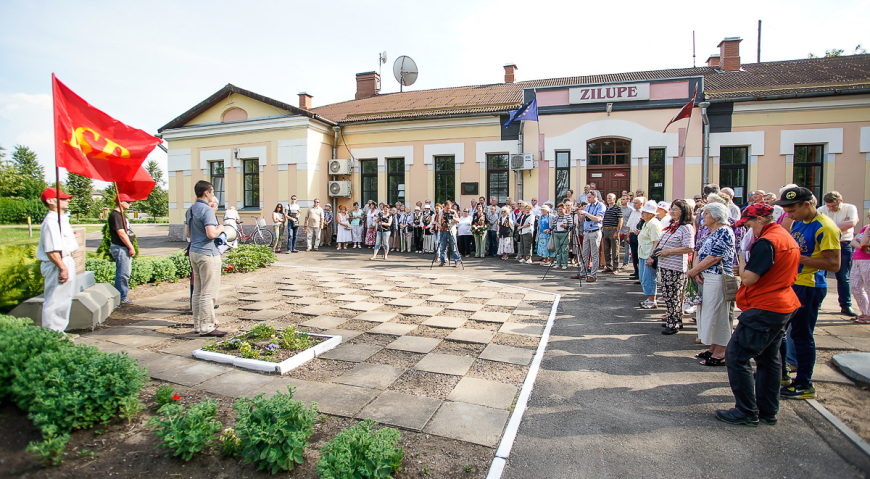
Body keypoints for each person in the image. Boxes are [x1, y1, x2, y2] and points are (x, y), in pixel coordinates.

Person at [715, 203, 801, 427]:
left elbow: (750, 278)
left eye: (750, 223)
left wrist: (743, 265)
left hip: (766, 306)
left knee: (736, 356)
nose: (748, 228)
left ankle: (746, 411)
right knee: (768, 359)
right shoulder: (782, 236)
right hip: (781, 303)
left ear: (762, 219)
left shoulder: (767, 241)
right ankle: (768, 410)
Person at [775, 186, 841, 399]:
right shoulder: (800, 223)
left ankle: (804, 382)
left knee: (802, 334)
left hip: (810, 286)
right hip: (793, 283)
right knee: (779, 331)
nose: (788, 214)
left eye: (792, 209)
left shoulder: (825, 227)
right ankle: (782, 373)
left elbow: (834, 264)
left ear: (807, 204)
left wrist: (795, 257)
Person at [687, 203, 735, 365]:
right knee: (710, 311)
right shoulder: (712, 232)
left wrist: (694, 271)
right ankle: (714, 347)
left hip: (718, 277)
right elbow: (701, 252)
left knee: (719, 313)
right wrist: (697, 270)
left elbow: (715, 257)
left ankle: (721, 350)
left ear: (716, 216)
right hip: (707, 276)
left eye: (706, 214)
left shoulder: (725, 232)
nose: (703, 217)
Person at [185, 180, 226, 337]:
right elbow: (211, 234)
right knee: (209, 292)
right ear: (206, 193)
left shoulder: (191, 210)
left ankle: (198, 324)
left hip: (194, 252)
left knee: (198, 291)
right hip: (208, 254)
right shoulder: (206, 210)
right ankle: (208, 326)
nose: (214, 194)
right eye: (213, 191)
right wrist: (220, 228)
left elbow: (187, 233)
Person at [36, 187, 79, 333]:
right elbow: (51, 250)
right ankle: (51, 333)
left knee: (64, 300)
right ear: (50, 201)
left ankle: (59, 331)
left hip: (65, 261)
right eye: (62, 198)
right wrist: (62, 267)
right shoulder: (51, 222)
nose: (67, 200)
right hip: (57, 263)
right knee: (55, 301)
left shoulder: (61, 219)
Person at [654, 200, 695, 334]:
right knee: (668, 295)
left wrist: (668, 251)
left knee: (674, 296)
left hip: (676, 267)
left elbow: (689, 248)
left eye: (675, 209)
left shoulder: (686, 228)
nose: (672, 212)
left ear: (684, 212)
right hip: (666, 265)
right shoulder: (673, 225)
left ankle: (674, 323)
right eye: (671, 209)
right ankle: (673, 319)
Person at [818, 191, 859, 316]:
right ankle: (818, 302)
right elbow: (817, 225)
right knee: (820, 275)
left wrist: (828, 226)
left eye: (834, 206)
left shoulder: (849, 208)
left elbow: (852, 223)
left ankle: (846, 305)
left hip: (843, 244)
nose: (831, 208)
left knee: (843, 277)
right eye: (829, 206)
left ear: (840, 201)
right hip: (824, 244)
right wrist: (842, 225)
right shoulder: (821, 209)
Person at [108, 194, 136, 304]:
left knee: (125, 273)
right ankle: (121, 297)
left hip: (123, 247)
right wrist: (131, 246)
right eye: (128, 202)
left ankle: (122, 295)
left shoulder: (121, 215)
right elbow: (121, 233)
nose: (130, 204)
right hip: (121, 248)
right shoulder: (116, 215)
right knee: (123, 273)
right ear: (120, 202)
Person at [637, 200, 663, 308]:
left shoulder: (654, 224)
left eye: (645, 212)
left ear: (651, 213)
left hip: (649, 254)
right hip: (643, 253)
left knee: (649, 277)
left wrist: (652, 257)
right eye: (642, 211)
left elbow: (656, 242)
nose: (642, 214)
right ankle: (649, 299)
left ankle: (652, 300)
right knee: (643, 277)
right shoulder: (646, 223)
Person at [578, 192, 605, 282]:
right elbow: (582, 220)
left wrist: (585, 212)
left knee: (594, 254)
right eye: (587, 197)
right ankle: (582, 273)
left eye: (590, 197)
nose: (588, 199)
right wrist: (579, 213)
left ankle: (593, 274)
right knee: (584, 253)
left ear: (595, 196)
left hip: (595, 231)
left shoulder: (600, 206)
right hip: (586, 232)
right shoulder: (588, 206)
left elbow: (597, 219)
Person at [851, 211, 870, 322]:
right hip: (857, 258)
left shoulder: (867, 229)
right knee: (855, 286)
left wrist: (867, 231)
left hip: (867, 261)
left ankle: (869, 314)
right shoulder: (865, 227)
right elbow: (854, 242)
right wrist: (863, 247)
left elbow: (862, 243)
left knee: (868, 287)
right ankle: (864, 312)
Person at [601, 193, 624, 273]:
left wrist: (617, 231)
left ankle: (616, 267)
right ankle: (608, 266)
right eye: (607, 198)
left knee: (615, 249)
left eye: (610, 198)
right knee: (606, 249)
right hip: (606, 229)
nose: (608, 199)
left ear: (614, 199)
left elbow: (620, 220)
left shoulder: (618, 208)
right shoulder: (605, 208)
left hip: (613, 229)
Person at [436, 201, 462, 267]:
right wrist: (439, 226)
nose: (449, 210)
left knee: (454, 247)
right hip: (443, 230)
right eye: (447, 208)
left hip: (451, 231)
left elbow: (458, 220)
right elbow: (436, 221)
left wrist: (452, 217)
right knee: (443, 247)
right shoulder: (441, 212)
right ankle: (443, 261)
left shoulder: (453, 212)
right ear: (444, 207)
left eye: (450, 208)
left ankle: (457, 262)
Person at [626, 197, 644, 279]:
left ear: (641, 204)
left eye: (636, 203)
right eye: (634, 203)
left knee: (638, 254)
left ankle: (639, 273)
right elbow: (629, 225)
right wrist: (628, 235)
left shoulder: (643, 213)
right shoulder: (633, 212)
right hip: (632, 234)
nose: (634, 204)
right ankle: (636, 271)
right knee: (634, 254)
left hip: (639, 235)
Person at [552, 203, 573, 270]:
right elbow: (553, 225)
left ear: (564, 209)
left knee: (564, 249)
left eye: (561, 209)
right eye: (559, 209)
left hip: (564, 234)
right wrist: (549, 229)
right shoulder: (556, 217)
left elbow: (571, 225)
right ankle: (558, 263)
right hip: (556, 234)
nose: (560, 211)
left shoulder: (568, 216)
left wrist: (566, 226)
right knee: (557, 249)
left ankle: (565, 263)